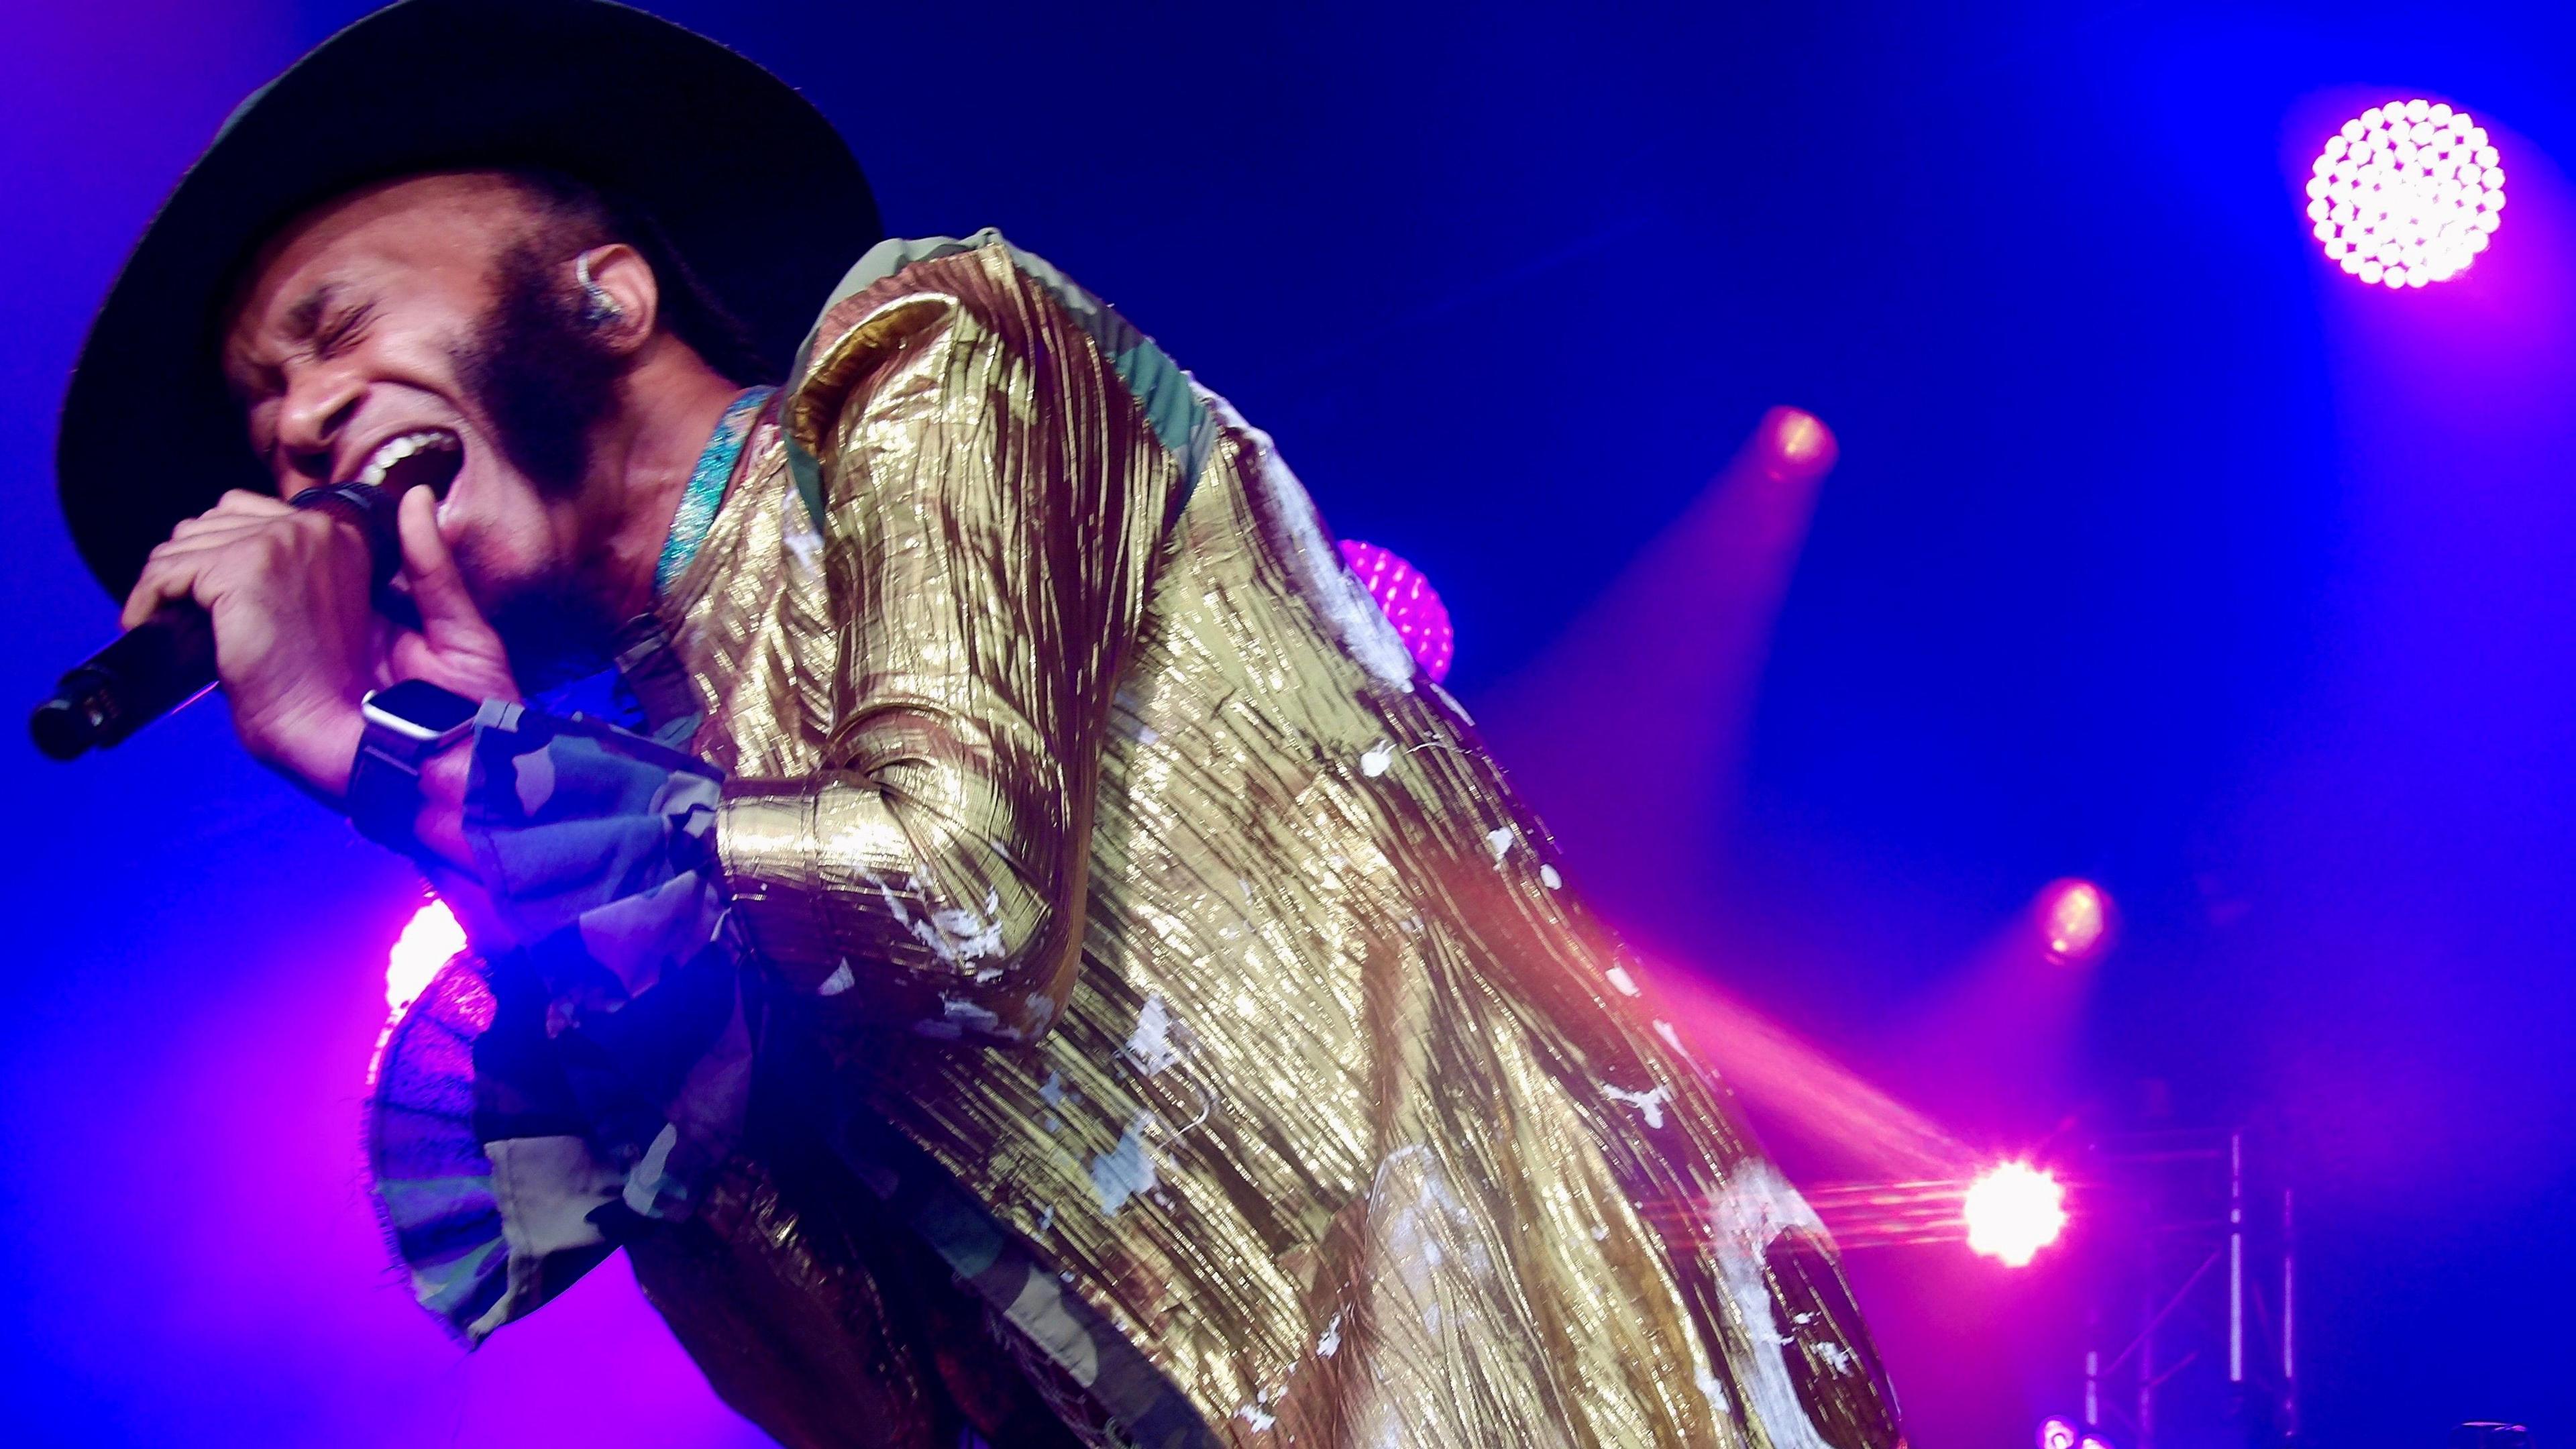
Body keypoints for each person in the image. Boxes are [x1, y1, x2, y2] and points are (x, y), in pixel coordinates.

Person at [54, 2, 1902, 1446]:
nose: (293, 430)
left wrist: (410, 761)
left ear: (603, 290)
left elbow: (950, 883)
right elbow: (859, 1405)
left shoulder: (933, 358)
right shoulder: (645, 784)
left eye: (332, 327)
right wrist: (478, 821)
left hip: (1522, 1379)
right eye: (264, 408)